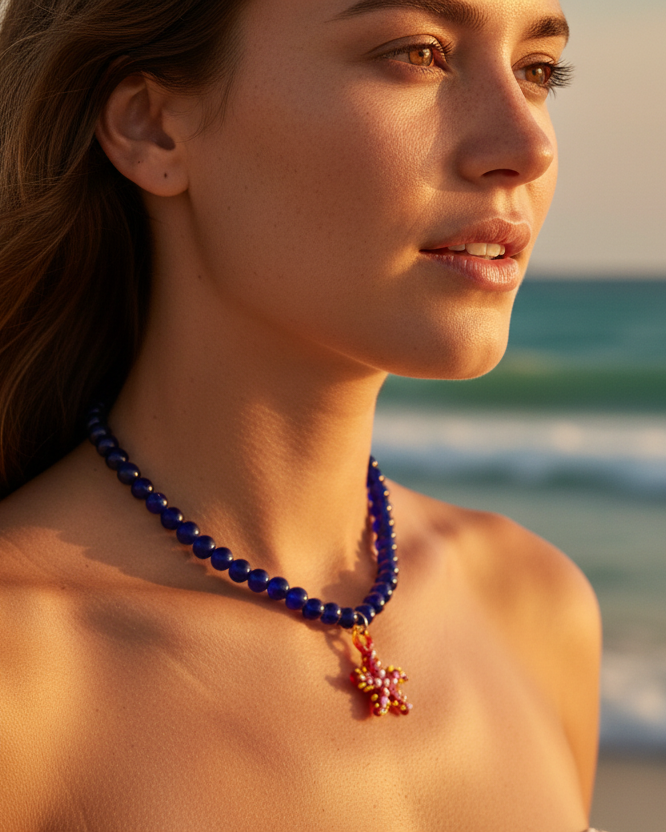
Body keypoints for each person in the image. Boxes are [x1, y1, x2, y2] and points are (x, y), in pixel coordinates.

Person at [0, 0, 604, 829]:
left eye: (537, 72)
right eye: (417, 53)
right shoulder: (24, 680)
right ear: (152, 128)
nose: (527, 147)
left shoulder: (534, 607)